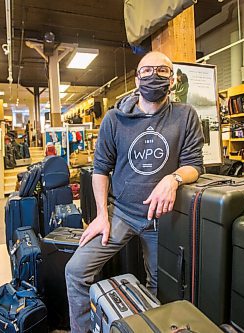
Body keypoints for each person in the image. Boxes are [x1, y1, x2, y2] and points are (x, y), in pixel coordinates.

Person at [65, 51, 205, 333]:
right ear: (137, 78)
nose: (154, 76)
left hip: (162, 220)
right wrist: (102, 215)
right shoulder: (114, 119)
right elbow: (100, 170)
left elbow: (194, 166)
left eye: (162, 71)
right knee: (76, 271)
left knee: (162, 288)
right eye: (146, 70)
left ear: (173, 78)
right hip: (122, 215)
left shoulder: (185, 115)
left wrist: (174, 178)